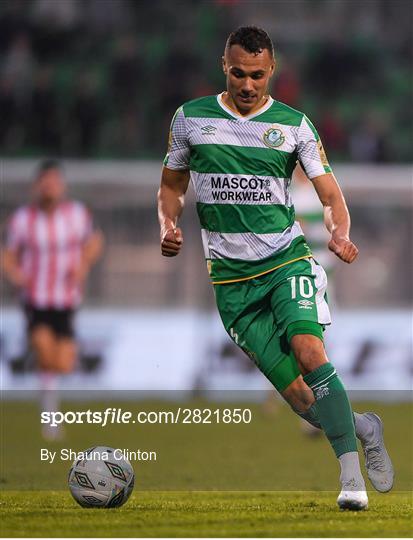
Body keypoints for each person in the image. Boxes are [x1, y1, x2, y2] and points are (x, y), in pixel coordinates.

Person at [157, 26, 394, 510]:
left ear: (272, 71)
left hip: (286, 262)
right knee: (306, 403)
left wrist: (340, 232)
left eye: (258, 76)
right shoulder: (190, 120)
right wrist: (167, 223)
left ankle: (352, 482)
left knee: (310, 350)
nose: (248, 85)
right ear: (226, 67)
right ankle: (365, 427)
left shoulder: (294, 125)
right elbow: (171, 185)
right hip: (232, 286)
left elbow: (331, 195)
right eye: (240, 74)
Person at [3, 159, 103, 438]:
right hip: (35, 298)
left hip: (67, 299)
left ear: (62, 186)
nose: (50, 187)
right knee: (45, 354)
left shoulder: (77, 214)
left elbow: (95, 241)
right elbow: (8, 254)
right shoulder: (23, 219)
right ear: (37, 186)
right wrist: (14, 274)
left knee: (62, 364)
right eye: (45, 182)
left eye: (54, 182)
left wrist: (83, 264)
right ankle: (51, 423)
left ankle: (48, 393)